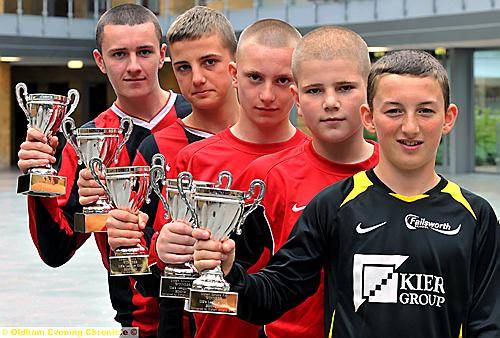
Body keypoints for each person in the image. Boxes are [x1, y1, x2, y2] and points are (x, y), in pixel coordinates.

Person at [193, 50, 500, 338]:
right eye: (394, 111)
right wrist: (227, 275)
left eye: (425, 111)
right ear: (368, 117)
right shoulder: (334, 205)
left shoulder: (476, 216)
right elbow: (272, 298)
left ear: (448, 118)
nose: (410, 127)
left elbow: (488, 322)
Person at [17, 4, 191, 337]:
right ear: (100, 60)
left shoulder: (199, 120)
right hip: (134, 324)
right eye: (119, 54)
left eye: (144, 52)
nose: (134, 66)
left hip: (215, 319)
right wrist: (38, 176)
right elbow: (57, 250)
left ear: (163, 55)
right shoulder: (87, 143)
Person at [153, 19, 309, 338]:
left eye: (282, 80)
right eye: (254, 78)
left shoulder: (317, 159)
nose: (267, 95)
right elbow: (166, 251)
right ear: (235, 74)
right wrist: (164, 247)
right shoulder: (194, 158)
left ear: (299, 84)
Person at [224, 26, 379, 338]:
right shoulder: (267, 176)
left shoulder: (397, 173)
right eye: (315, 90)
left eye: (345, 87)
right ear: (296, 97)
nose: (330, 102)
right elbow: (228, 278)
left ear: (371, 92)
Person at [102, 6, 240, 338]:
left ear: (235, 66)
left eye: (209, 62)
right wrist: (156, 253)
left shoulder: (268, 142)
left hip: (257, 320)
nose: (197, 78)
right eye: (183, 67)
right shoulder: (154, 150)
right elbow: (136, 268)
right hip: (176, 324)